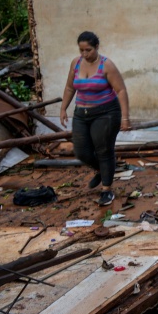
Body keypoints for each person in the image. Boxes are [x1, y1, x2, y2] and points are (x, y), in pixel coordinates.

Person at [58, 31, 132, 206]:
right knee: (81, 151)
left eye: (88, 50)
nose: (85, 54)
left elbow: (121, 90)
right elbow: (70, 88)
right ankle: (101, 170)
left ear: (97, 47)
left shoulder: (107, 66)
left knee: (104, 150)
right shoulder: (75, 63)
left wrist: (125, 118)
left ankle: (107, 189)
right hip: (81, 114)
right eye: (82, 50)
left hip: (106, 113)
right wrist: (63, 108)